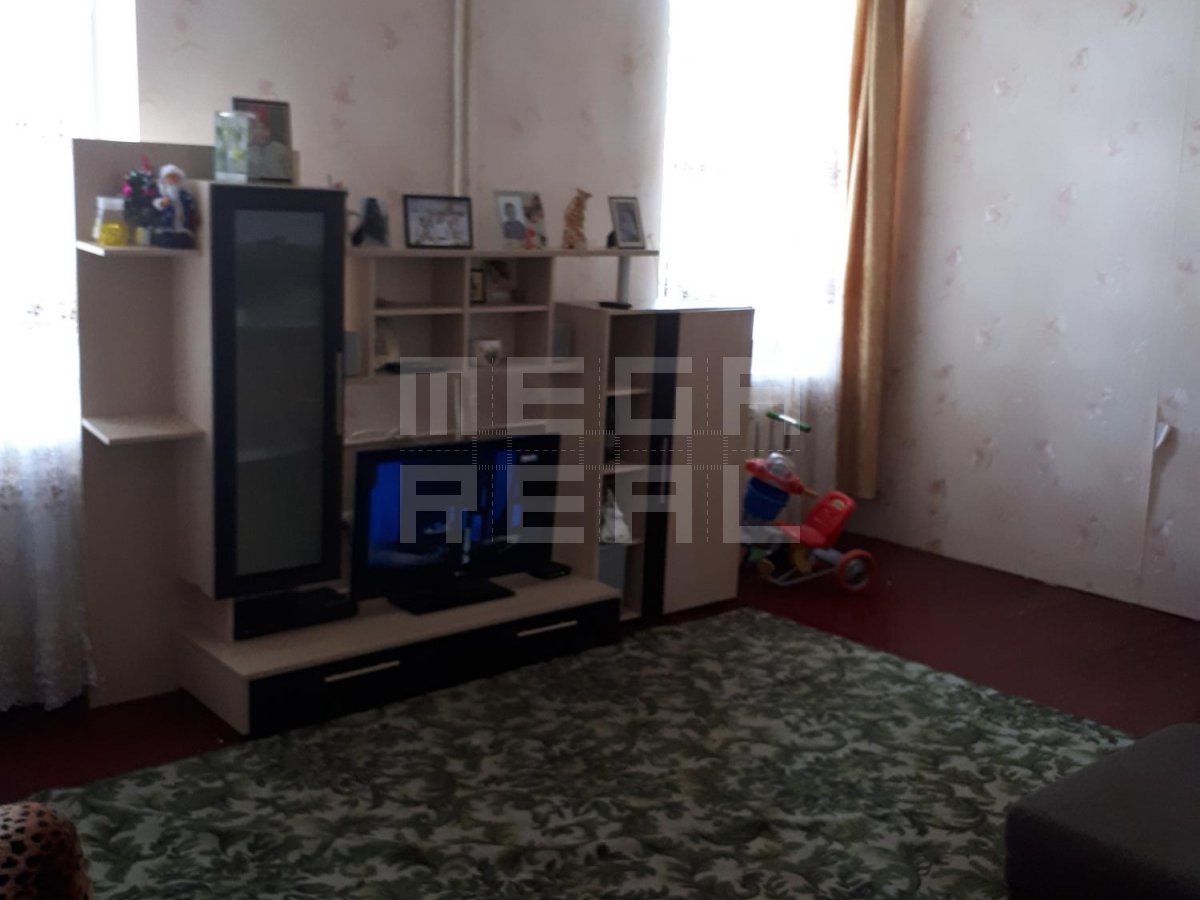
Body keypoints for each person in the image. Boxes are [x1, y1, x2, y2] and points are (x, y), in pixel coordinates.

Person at [246, 106, 291, 181]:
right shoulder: (245, 152)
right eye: (255, 128)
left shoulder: (280, 149)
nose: (260, 132)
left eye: (264, 128)